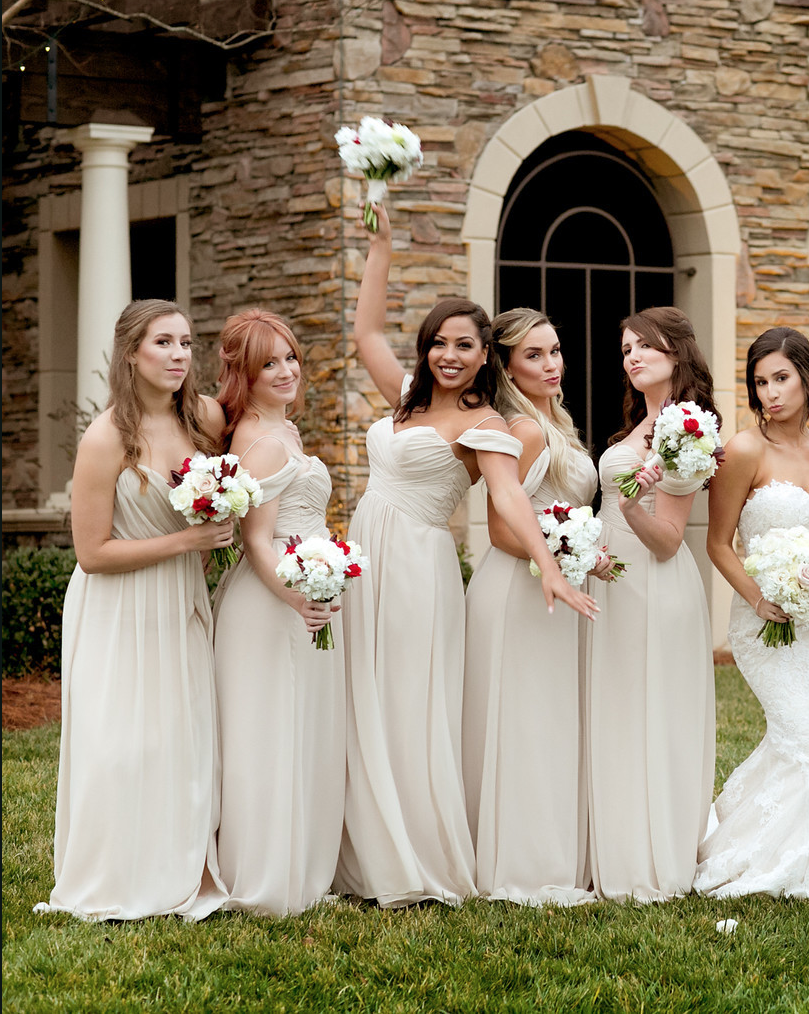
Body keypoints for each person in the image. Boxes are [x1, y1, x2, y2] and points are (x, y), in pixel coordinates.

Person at [338, 205, 597, 908]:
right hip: (366, 558)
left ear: (487, 357)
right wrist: (381, 248)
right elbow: (365, 334)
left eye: (465, 345)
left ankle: (415, 855)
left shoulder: (487, 423)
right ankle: (362, 845)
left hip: (418, 565)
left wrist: (549, 563)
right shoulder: (406, 400)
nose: (449, 355)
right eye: (438, 343)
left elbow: (509, 498)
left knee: (408, 699)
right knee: (363, 693)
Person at [35, 299, 231, 922]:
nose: (178, 356)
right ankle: (116, 876)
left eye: (186, 343)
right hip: (118, 606)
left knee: (182, 736)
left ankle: (184, 867)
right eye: (163, 343)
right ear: (130, 353)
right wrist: (188, 541)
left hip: (181, 599)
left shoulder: (205, 418)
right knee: (120, 741)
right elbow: (92, 553)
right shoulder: (106, 438)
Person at [695, 328, 809, 899]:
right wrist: (758, 599)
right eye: (760, 382)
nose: (770, 393)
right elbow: (719, 543)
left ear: (808, 378)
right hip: (766, 623)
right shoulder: (743, 451)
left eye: (781, 378)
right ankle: (794, 862)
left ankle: (762, 832)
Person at [462, 308, 608, 907]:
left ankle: (554, 849)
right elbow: (500, 529)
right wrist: (571, 550)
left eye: (555, 351)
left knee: (549, 719)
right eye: (534, 355)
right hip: (519, 590)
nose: (552, 365)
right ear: (506, 367)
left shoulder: (556, 423)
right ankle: (522, 862)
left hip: (554, 587)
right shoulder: (522, 431)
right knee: (525, 721)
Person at [211, 309, 345, 916]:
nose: (287, 370)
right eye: (270, 363)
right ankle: (266, 878)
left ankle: (303, 871)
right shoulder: (263, 443)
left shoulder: (280, 428)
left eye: (291, 357)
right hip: (273, 601)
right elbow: (257, 541)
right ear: (245, 374)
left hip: (302, 589)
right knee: (269, 733)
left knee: (299, 728)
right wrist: (297, 596)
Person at [587, 307, 719, 902]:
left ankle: (652, 852)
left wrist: (628, 506)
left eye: (646, 346)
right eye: (626, 349)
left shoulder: (685, 428)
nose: (633, 357)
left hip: (653, 583)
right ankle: (612, 843)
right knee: (616, 709)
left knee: (652, 712)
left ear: (677, 353)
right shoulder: (637, 427)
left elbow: (667, 541)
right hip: (610, 577)